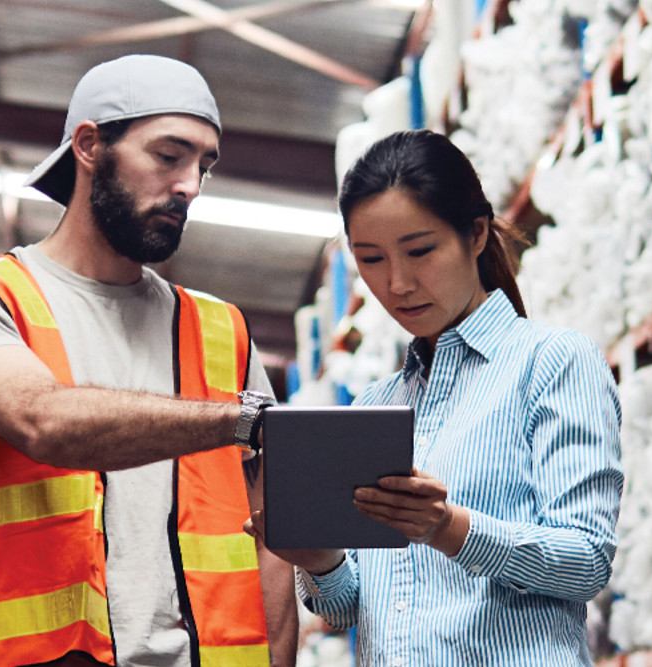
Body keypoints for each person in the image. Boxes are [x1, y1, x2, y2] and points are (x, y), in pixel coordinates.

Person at [0, 55, 297, 667]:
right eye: (169, 156)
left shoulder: (224, 332)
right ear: (89, 145)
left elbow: (276, 528)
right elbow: (42, 420)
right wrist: (240, 420)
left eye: (204, 164)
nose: (191, 185)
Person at [249, 130, 623, 666]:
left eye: (420, 251)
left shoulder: (554, 362)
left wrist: (449, 528)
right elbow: (352, 607)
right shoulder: (374, 408)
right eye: (371, 259)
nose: (398, 283)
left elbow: (586, 562)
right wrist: (318, 557)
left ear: (475, 234)